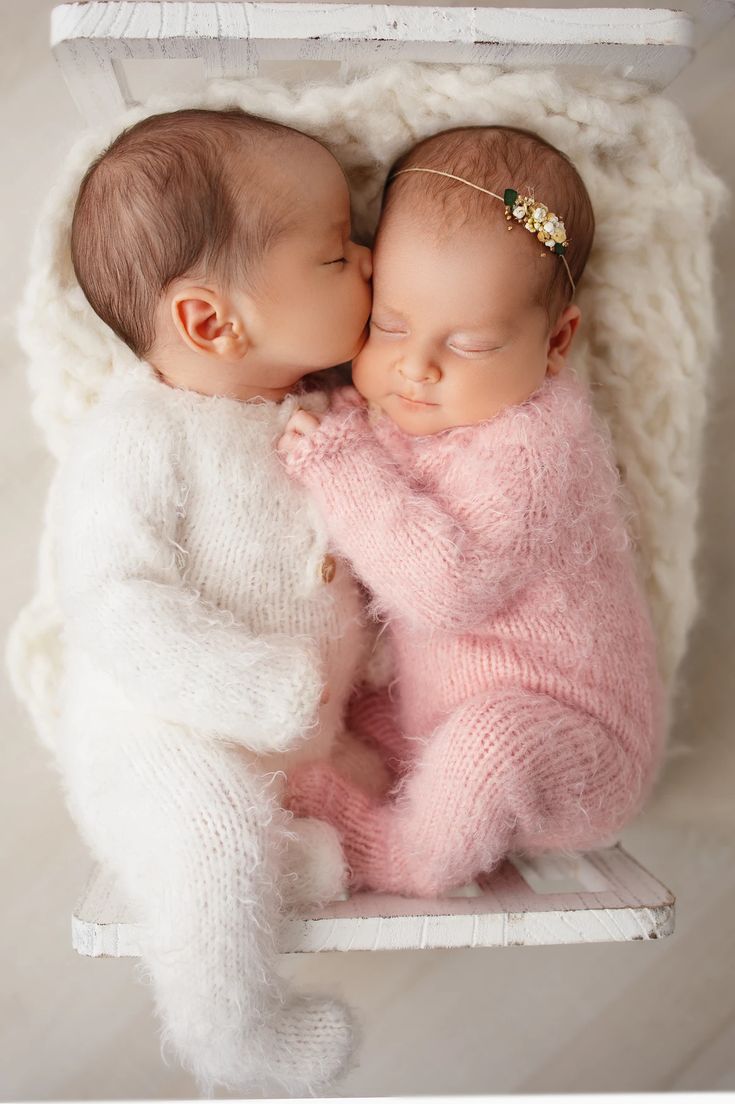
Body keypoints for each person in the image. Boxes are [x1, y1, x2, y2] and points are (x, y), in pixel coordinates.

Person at [55, 107, 373, 1094]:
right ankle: (231, 1039)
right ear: (208, 320)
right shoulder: (142, 437)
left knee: (356, 818)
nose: (368, 259)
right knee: (207, 836)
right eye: (334, 255)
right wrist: (247, 688)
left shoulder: (320, 414)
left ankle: (281, 865)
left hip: (297, 737)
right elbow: (110, 600)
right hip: (160, 727)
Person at [279, 124, 664, 899]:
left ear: (555, 343)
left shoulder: (536, 443)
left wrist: (335, 457)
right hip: (440, 712)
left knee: (487, 748)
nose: (416, 366)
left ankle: (404, 859)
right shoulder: (408, 406)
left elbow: (440, 589)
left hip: (569, 741)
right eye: (389, 325)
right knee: (335, 727)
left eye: (472, 344)